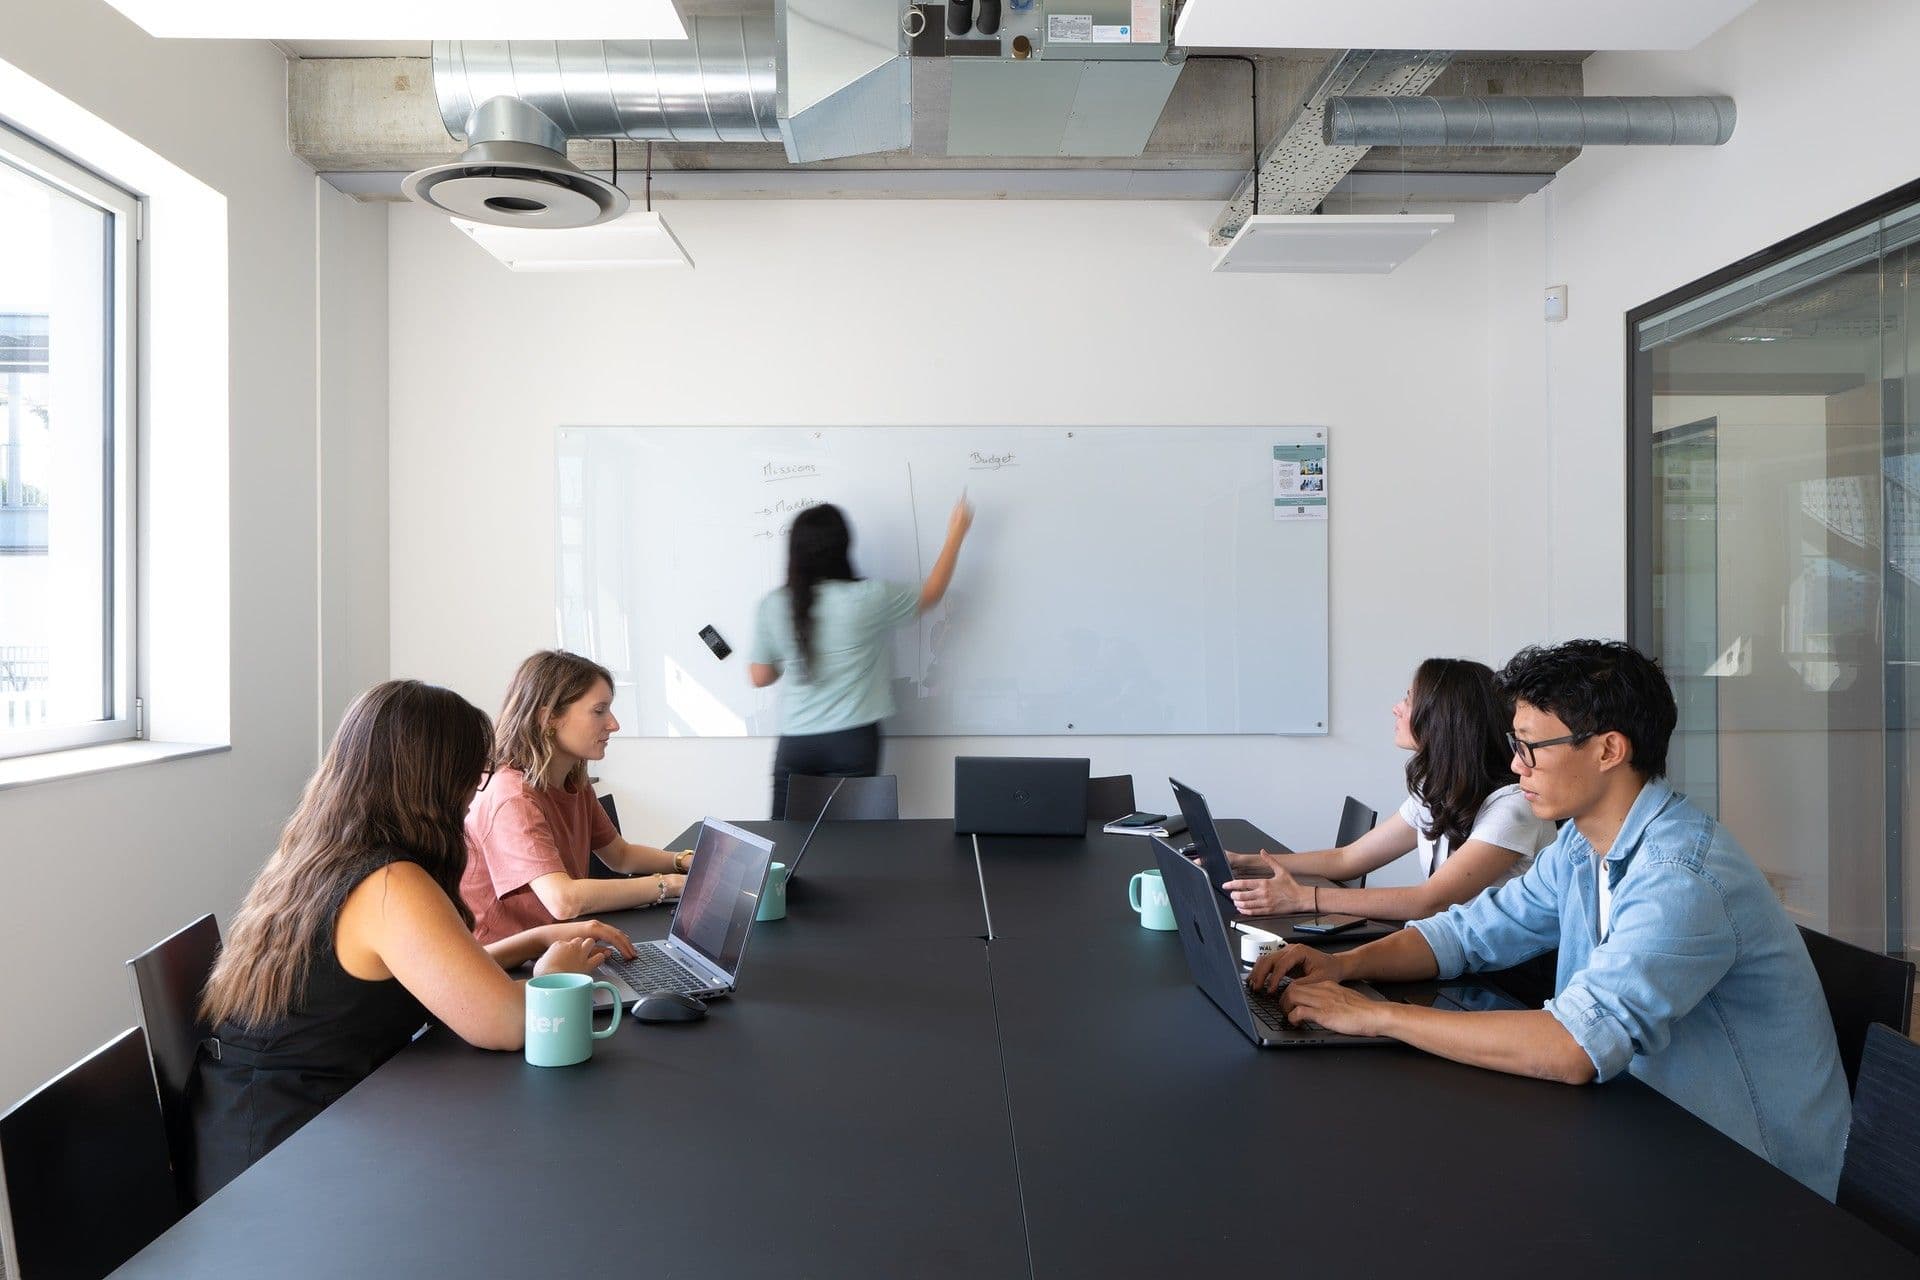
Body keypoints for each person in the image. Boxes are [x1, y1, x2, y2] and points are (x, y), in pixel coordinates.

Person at [1250, 640, 1849, 1197]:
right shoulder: (1581, 847)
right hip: (1640, 1125)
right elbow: (1466, 933)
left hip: (1753, 1182)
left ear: (1609, 749)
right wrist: (1341, 965)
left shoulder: (1681, 877)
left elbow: (1572, 1046)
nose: (1515, 767)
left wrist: (1374, 1015)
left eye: (1531, 747)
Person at [192, 681, 635, 1201]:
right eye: (475, 773)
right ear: (435, 779)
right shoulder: (388, 882)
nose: (476, 790)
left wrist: (534, 939)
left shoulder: (324, 852)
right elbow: (508, 1026)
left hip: (267, 1116)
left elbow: (421, 976)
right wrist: (555, 976)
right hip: (282, 1155)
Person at [1221, 658, 1554, 922]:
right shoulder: (1439, 788)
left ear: (1444, 719)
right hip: (1456, 954)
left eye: (1408, 698)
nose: (1397, 708)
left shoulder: (1514, 807)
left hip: (1502, 980)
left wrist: (1302, 898)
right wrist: (1246, 863)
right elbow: (1349, 858)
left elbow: (1431, 901)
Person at [749, 497, 972, 817]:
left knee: (785, 843)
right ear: (843, 547)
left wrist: (794, 650)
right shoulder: (869, 597)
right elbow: (932, 593)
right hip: (852, 741)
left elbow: (760, 676)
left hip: (796, 742)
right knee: (853, 845)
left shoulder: (773, 605)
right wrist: (956, 533)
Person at [462, 650, 691, 943]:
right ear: (549, 718)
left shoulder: (572, 780)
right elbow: (564, 899)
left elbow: (620, 855)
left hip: (557, 944)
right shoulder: (512, 797)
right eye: (599, 711)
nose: (613, 724)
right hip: (508, 966)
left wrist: (684, 862)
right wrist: (669, 885)